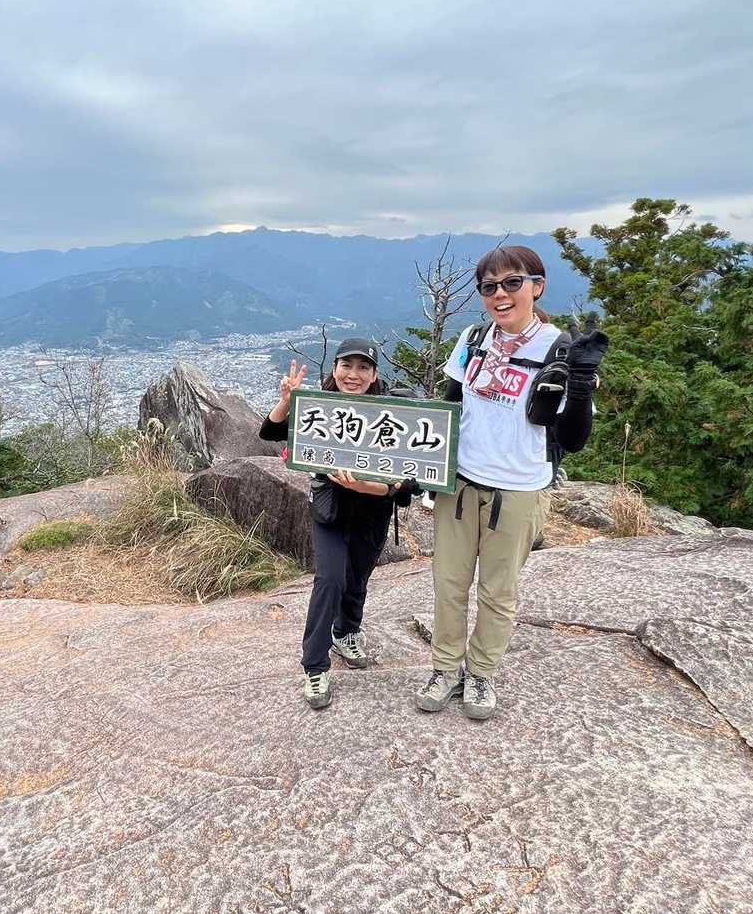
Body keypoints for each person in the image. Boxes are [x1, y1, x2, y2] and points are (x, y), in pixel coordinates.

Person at [414, 245, 608, 719]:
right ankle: (445, 669)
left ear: (537, 286)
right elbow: (452, 404)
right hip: (461, 484)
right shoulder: (474, 339)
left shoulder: (561, 350)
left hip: (519, 489)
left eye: (512, 283)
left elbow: (574, 439)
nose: (500, 294)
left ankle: (481, 673)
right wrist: (429, 471)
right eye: (489, 287)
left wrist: (580, 383)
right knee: (449, 584)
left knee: (498, 591)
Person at [259, 339, 418, 709]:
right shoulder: (321, 408)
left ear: (375, 375)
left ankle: (346, 632)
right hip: (330, 511)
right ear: (335, 369)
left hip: (373, 512)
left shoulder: (390, 414)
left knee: (357, 579)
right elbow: (270, 432)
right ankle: (315, 666)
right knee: (329, 580)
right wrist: (288, 400)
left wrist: (370, 486)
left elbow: (410, 482)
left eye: (363, 367)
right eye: (347, 366)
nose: (353, 375)